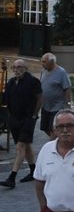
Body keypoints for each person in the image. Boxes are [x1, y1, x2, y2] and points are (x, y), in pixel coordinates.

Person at [1, 59, 43, 188]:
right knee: (27, 146)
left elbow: (40, 97)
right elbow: (5, 99)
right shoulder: (11, 83)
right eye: (14, 67)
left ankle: (11, 178)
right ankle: (33, 171)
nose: (16, 69)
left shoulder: (33, 81)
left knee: (20, 147)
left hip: (28, 118)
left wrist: (35, 114)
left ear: (25, 68)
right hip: (14, 118)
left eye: (19, 67)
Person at [39, 53, 72, 141]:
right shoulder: (43, 71)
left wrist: (68, 104)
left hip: (57, 106)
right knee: (44, 127)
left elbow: (67, 88)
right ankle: (57, 140)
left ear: (52, 62)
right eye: (41, 61)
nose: (42, 64)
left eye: (44, 62)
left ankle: (53, 144)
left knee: (54, 128)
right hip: (46, 106)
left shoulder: (61, 72)